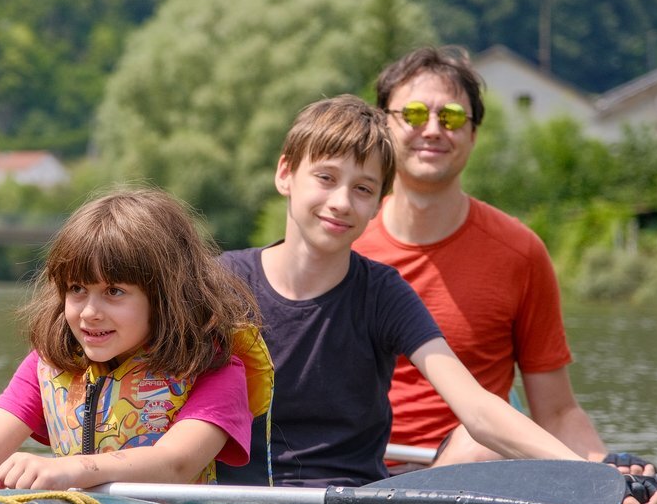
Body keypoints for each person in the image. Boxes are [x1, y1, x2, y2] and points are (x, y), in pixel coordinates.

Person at [351, 46, 657, 504]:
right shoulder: (342, 239)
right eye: (413, 113)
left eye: (452, 116)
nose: (433, 129)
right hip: (356, 470)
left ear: (473, 133)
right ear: (385, 125)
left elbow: (556, 409)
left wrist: (609, 471)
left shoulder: (520, 252)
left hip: (474, 470)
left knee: (482, 441)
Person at [216, 96, 601, 481]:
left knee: (480, 443)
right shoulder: (222, 282)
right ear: (285, 173)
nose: (342, 202)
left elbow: (477, 408)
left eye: (363, 189)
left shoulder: (384, 293)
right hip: (237, 503)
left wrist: (592, 474)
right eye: (326, 178)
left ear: (378, 204)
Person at [0, 187, 270, 490]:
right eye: (77, 289)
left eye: (114, 292)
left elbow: (176, 463)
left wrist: (72, 469)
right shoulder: (46, 365)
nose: (89, 312)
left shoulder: (217, 371)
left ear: (166, 298)